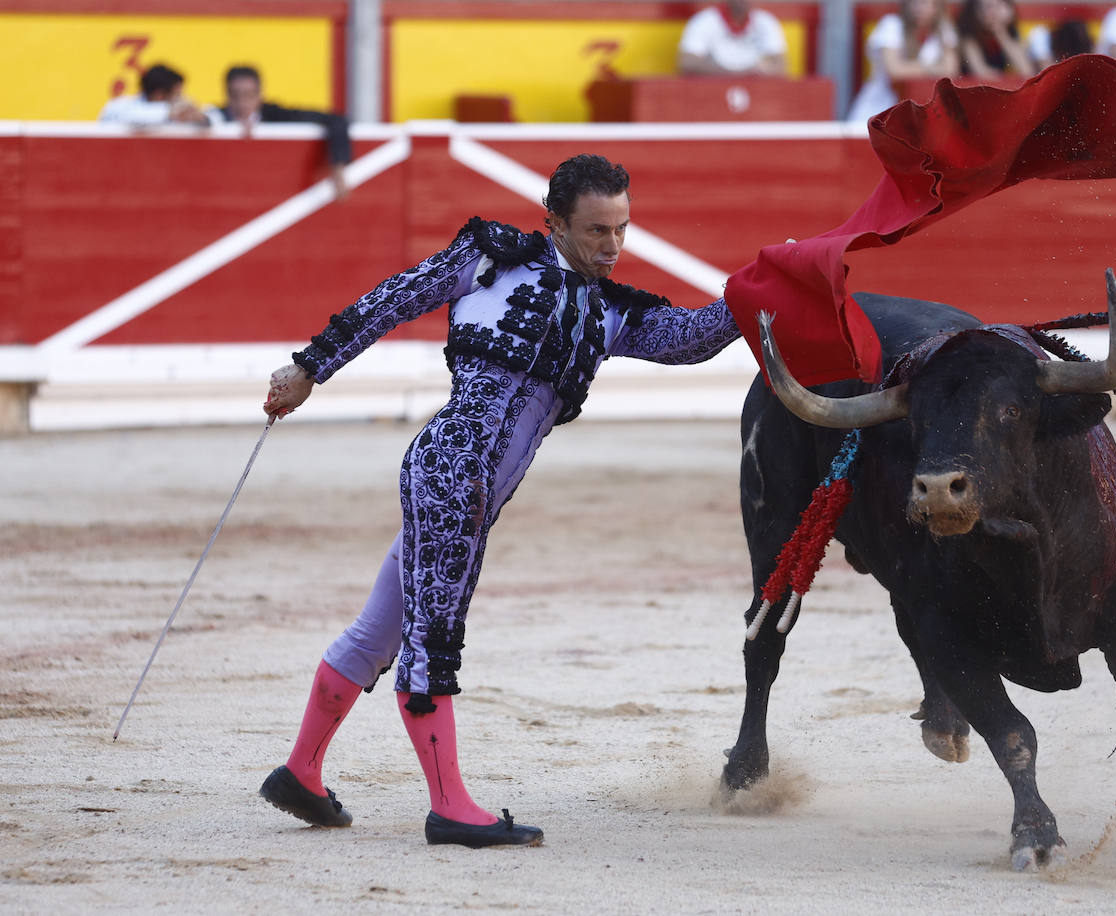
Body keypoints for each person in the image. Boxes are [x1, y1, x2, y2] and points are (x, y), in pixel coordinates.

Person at [257, 154, 741, 847]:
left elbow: (690, 340)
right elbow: (393, 298)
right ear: (555, 223)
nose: (611, 246)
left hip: (469, 487)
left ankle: (300, 772)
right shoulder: (490, 260)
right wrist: (310, 367)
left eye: (622, 230)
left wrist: (754, 294)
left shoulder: (611, 311)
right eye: (596, 230)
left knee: (381, 630)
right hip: (453, 469)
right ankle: (450, 806)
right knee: (433, 639)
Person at [218, 65, 353, 199]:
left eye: (249, 96)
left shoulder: (275, 114)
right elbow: (207, 119)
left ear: (260, 95)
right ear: (227, 96)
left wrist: (338, 169)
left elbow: (336, 120)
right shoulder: (218, 116)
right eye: (235, 96)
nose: (242, 104)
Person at [846, 0, 960, 123]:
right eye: (914, 3)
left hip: (922, 114)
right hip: (880, 108)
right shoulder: (891, 25)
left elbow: (951, 70)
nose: (918, 8)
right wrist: (932, 69)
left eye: (924, 3)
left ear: (937, 6)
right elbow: (895, 71)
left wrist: (913, 69)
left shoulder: (943, 29)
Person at [677, 1, 789, 75]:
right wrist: (734, 75)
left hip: (757, 92)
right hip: (711, 90)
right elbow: (687, 63)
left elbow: (781, 66)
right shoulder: (704, 20)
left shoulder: (766, 21)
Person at [98, 63, 214, 127]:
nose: (181, 98)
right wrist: (171, 112)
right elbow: (133, 117)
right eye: (177, 94)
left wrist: (199, 117)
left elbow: (209, 123)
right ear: (159, 95)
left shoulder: (179, 113)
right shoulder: (118, 106)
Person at [956, 0, 1036, 80]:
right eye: (988, 7)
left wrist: (1000, 33)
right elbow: (981, 72)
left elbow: (1026, 70)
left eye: (998, 6)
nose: (993, 12)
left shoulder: (1012, 33)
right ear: (976, 12)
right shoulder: (969, 38)